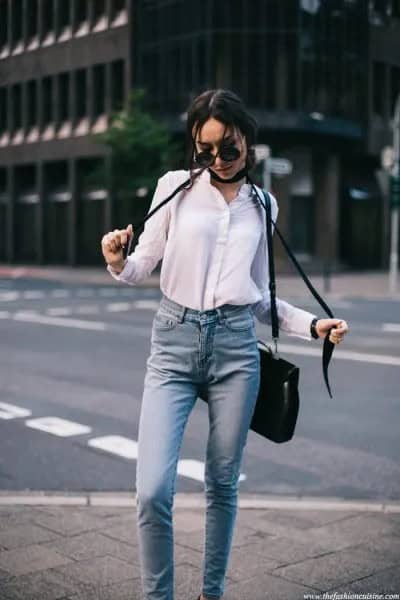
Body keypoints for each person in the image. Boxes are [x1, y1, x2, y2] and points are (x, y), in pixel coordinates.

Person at [101, 89, 349, 600]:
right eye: (203, 150)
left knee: (222, 484)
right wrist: (117, 258)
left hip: (237, 351)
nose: (216, 160)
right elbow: (140, 267)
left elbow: (259, 298)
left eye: (227, 149)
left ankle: (211, 594)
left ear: (248, 142)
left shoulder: (264, 205)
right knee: (152, 491)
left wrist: (313, 326)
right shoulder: (174, 188)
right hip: (172, 345)